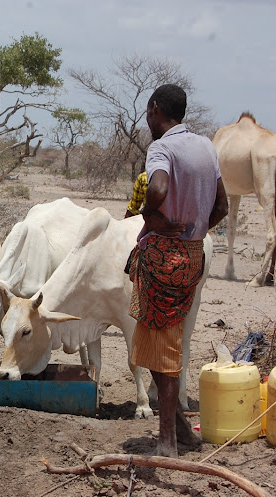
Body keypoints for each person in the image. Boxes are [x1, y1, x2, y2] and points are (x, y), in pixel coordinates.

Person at [127, 84, 228, 457]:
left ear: (155, 110)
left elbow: (158, 187)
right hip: (192, 256)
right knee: (155, 340)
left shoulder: (162, 147)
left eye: (147, 114)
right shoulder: (205, 146)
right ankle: (181, 427)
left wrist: (151, 216)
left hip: (162, 260)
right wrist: (195, 229)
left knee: (165, 347)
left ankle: (167, 439)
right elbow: (222, 206)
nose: (147, 120)